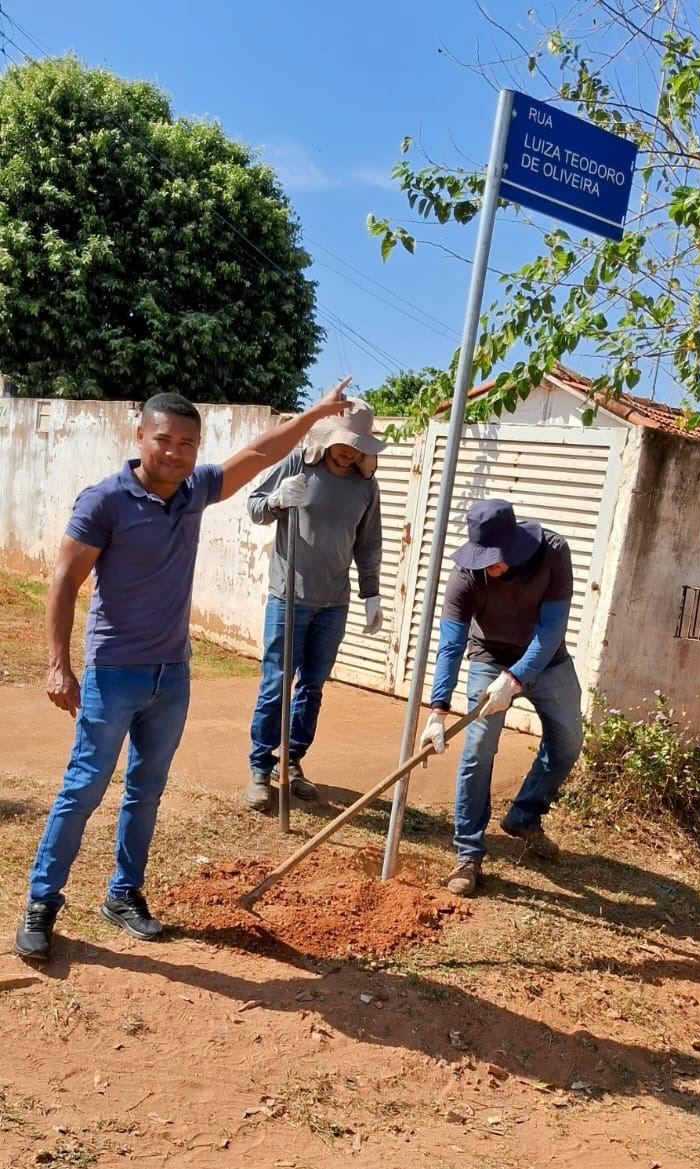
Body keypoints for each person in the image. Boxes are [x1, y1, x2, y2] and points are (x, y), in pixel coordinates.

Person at [13, 378, 352, 962]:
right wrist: (57, 667)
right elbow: (65, 580)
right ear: (140, 435)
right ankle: (42, 903)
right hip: (114, 671)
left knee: (145, 792)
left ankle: (124, 895)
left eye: (187, 444)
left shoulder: (195, 490)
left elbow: (262, 453)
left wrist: (318, 415)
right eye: (164, 440)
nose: (175, 452)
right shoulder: (105, 501)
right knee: (84, 788)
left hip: (172, 675)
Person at [419, 498, 584, 897]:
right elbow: (451, 644)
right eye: (482, 558)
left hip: (547, 659)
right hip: (490, 657)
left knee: (568, 743)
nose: (488, 567)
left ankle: (524, 817)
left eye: (495, 559)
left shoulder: (553, 552)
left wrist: (517, 678)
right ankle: (468, 854)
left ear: (516, 547)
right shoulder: (466, 576)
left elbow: (551, 630)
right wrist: (438, 710)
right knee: (478, 750)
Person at [245, 397, 385, 813]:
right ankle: (259, 765)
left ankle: (292, 761)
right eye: (344, 442)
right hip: (289, 598)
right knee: (276, 683)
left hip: (333, 603)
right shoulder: (298, 466)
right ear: (327, 439)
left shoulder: (366, 485)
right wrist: (276, 501)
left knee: (312, 687)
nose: (349, 451)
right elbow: (254, 508)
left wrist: (371, 593)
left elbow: (369, 543)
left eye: (357, 445)